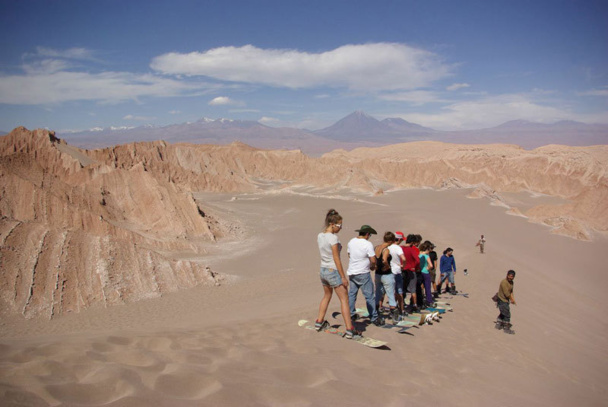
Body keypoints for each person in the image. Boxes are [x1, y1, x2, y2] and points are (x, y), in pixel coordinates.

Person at [315, 209, 360, 339]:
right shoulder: (333, 238)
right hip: (333, 270)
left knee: (327, 296)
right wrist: (342, 277)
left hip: (323, 270)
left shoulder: (320, 235)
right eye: (339, 225)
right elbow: (336, 258)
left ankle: (319, 322)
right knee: (344, 299)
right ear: (332, 224)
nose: (341, 228)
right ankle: (350, 329)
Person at [347, 225, 385, 326]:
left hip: (352, 271)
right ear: (367, 234)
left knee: (352, 294)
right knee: (369, 296)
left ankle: (351, 314)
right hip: (363, 272)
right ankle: (374, 317)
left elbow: (349, 255)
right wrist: (372, 266)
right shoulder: (367, 244)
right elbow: (373, 259)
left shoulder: (351, 241)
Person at [374, 232, 398, 321]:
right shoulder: (386, 249)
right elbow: (384, 260)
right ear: (391, 240)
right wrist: (387, 266)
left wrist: (375, 266)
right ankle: (394, 314)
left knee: (378, 293)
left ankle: (375, 311)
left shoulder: (376, 247)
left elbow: (374, 258)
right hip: (386, 274)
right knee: (390, 293)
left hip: (377, 274)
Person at [389, 231, 407, 318]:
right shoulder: (397, 248)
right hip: (396, 271)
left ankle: (388, 308)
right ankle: (401, 310)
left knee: (389, 291)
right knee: (399, 292)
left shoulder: (388, 247)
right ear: (399, 239)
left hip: (389, 271)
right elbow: (403, 258)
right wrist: (403, 265)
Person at [402, 234, 420, 313]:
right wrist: (414, 267)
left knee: (402, 289)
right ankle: (414, 305)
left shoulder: (401, 248)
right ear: (412, 242)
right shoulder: (412, 249)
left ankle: (401, 305)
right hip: (411, 271)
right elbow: (417, 260)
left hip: (402, 270)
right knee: (413, 290)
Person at [495, 270, 516, 334]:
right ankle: (506, 329)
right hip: (502, 300)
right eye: (509, 276)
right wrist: (511, 299)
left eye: (512, 276)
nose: (510, 277)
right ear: (507, 275)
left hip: (506, 300)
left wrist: (513, 299)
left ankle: (498, 324)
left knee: (503, 312)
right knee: (507, 315)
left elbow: (511, 291)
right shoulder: (503, 282)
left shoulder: (511, 282)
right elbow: (506, 293)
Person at [418, 241, 436, 308]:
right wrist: (427, 268)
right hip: (425, 272)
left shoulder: (419, 254)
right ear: (427, 249)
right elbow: (431, 265)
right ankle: (429, 301)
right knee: (427, 288)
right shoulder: (426, 256)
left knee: (419, 287)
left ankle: (419, 301)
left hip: (419, 272)